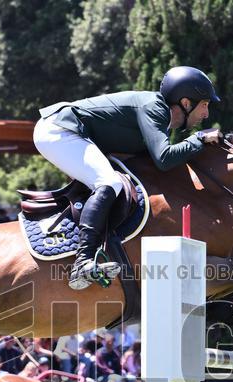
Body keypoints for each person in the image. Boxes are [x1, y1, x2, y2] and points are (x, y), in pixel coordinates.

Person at [34, 66, 222, 289]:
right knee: (109, 182)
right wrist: (198, 139)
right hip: (59, 130)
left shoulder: (159, 116)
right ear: (186, 103)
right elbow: (164, 159)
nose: (207, 114)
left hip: (67, 132)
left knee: (111, 182)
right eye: (205, 105)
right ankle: (82, 262)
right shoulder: (155, 108)